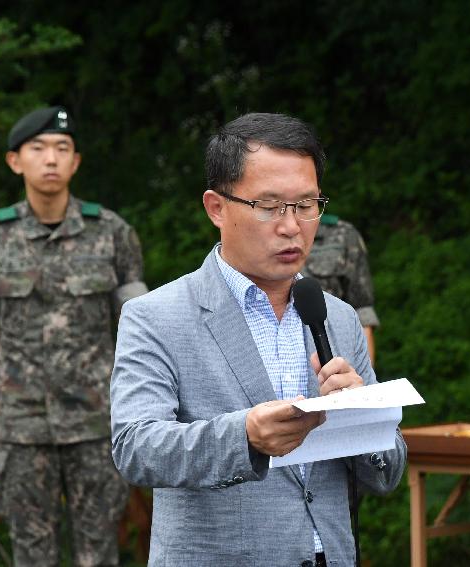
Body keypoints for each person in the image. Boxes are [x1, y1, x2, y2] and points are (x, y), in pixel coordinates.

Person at [110, 112, 407, 567]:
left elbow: (385, 475)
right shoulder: (156, 316)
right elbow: (136, 447)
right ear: (216, 207)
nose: (292, 226)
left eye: (307, 205)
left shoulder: (337, 316)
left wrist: (362, 415)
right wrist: (244, 436)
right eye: (269, 206)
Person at [0, 106, 147, 567]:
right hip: (21, 428)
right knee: (31, 555)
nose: (50, 159)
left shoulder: (113, 234)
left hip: (97, 424)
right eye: (37, 148)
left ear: (76, 162)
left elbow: (138, 333)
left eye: (62, 149)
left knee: (99, 553)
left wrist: (142, 412)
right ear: (14, 161)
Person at [302, 216, 380, 363]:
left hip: (333, 358)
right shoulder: (258, 232)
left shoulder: (343, 233)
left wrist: (365, 382)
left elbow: (362, 310)